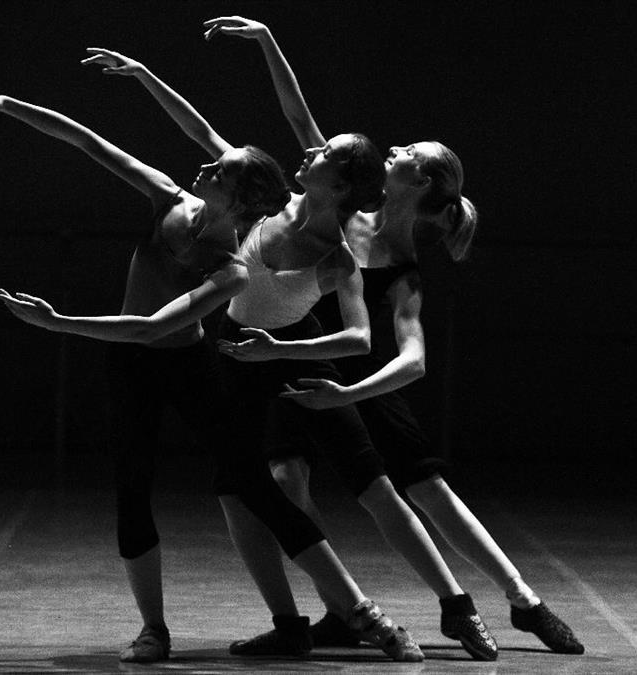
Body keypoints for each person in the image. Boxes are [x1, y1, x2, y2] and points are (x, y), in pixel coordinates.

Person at [0, 92, 423, 663]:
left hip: (189, 366)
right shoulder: (166, 197)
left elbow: (153, 328)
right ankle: (154, 629)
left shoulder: (230, 271)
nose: (203, 167)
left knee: (253, 484)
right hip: (131, 368)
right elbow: (88, 141)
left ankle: (364, 614)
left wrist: (58, 322)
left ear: (236, 195)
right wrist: (11, 105)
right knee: (133, 488)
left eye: (217, 171)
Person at [83, 44, 492, 661]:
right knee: (245, 490)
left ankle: (431, 608)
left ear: (344, 182)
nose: (309, 150)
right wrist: (148, 76)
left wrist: (282, 351)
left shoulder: (340, 253)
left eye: (324, 154)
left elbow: (360, 339)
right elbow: (214, 130)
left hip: (292, 367)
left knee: (372, 482)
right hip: (236, 364)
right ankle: (302, 619)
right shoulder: (272, 204)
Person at [204, 15, 586, 656]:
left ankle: (522, 602)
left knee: (422, 489)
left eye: (407, 154)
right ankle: (335, 609)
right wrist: (268, 40)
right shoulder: (346, 212)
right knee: (286, 475)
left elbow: (411, 361)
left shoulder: (404, 271)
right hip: (306, 360)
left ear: (423, 182)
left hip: (362, 380)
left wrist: (350, 392)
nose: (393, 151)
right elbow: (300, 119)